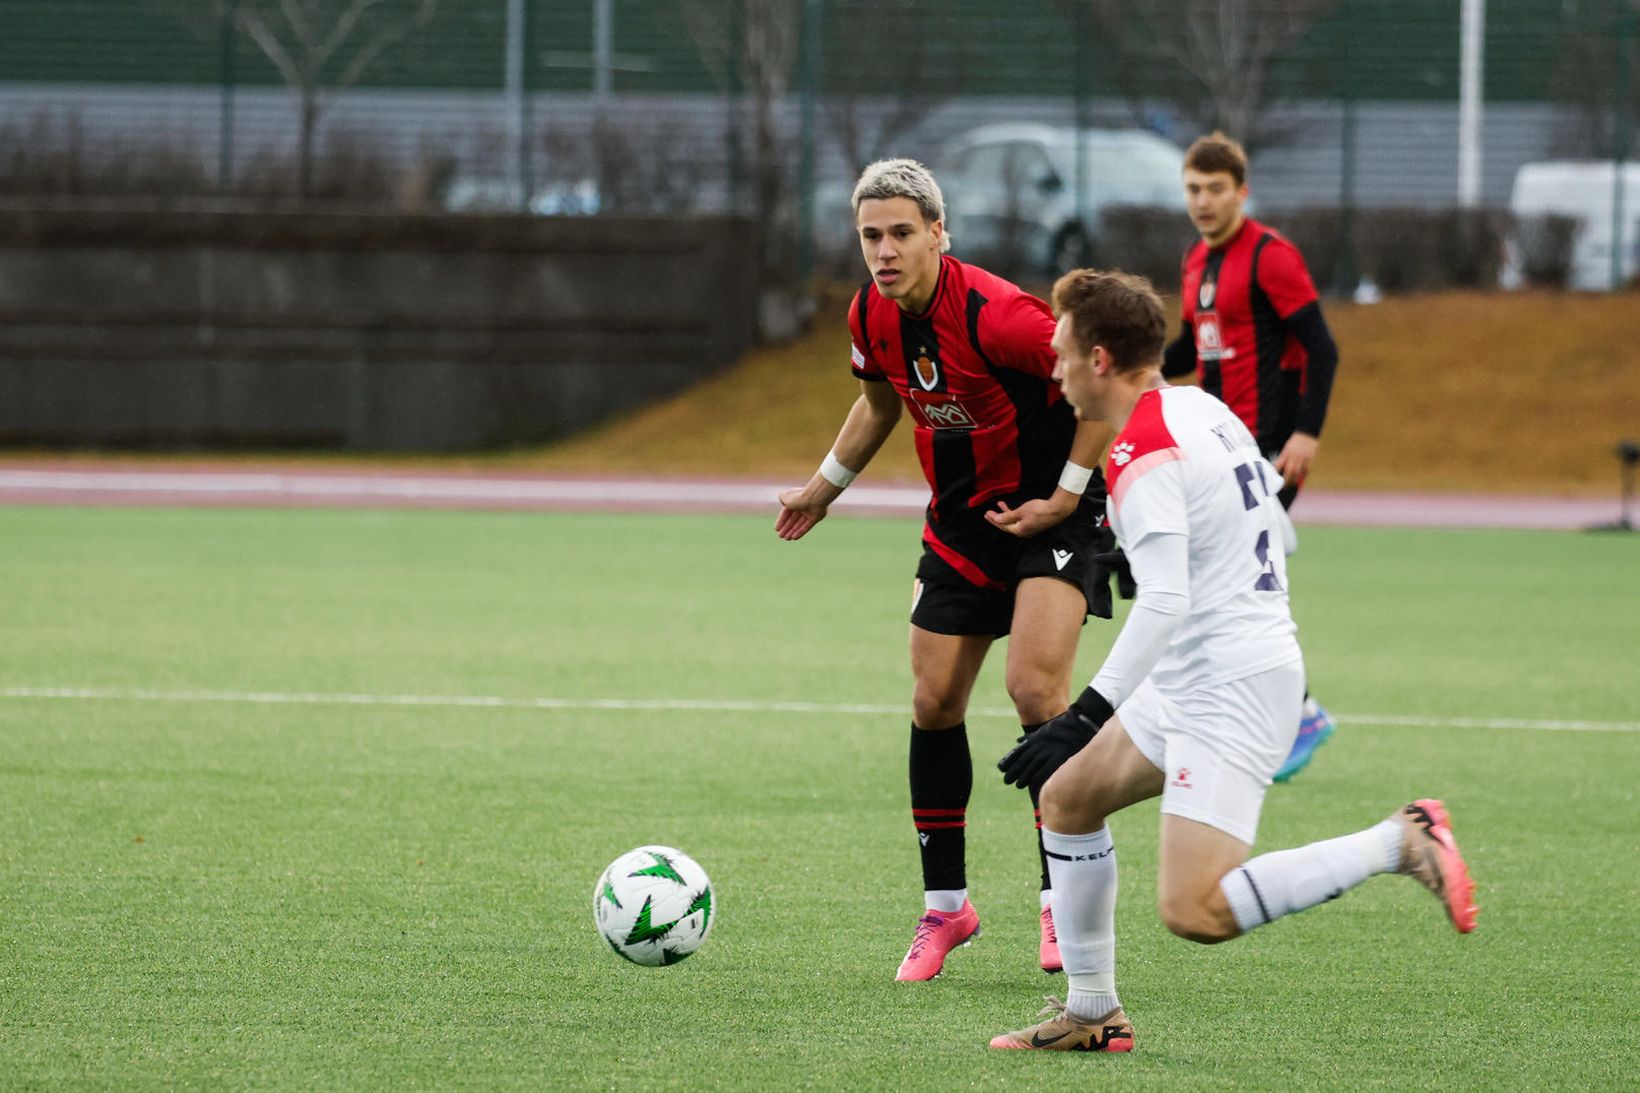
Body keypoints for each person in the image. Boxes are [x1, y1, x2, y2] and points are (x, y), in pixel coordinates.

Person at [987, 269, 1477, 1053]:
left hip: (1230, 686)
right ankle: (1091, 1012)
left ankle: (1401, 839)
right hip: (1204, 670)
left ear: (1102, 358)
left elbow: (1168, 601)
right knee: (1068, 798)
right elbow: (1274, 535)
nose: (1054, 367)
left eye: (1063, 352)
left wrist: (1084, 712)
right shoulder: (1199, 406)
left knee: (1195, 911)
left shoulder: (1142, 449)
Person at [776, 159, 1117, 982]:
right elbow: (881, 402)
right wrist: (825, 490)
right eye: (870, 236)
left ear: (938, 231)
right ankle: (946, 908)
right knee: (933, 701)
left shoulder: (1001, 316)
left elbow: (1104, 390)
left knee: (1036, 691)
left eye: (900, 233)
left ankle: (1058, 907)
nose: (884, 251)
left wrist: (1067, 497)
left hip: (1052, 515)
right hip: (964, 525)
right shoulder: (872, 312)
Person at [1161, 132, 1341, 783]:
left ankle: (1299, 709)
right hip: (1221, 446)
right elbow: (1194, 350)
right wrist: (1137, 368)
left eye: (1215, 189)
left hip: (1268, 447)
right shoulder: (1194, 262)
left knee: (1221, 570)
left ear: (1242, 191)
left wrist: (1306, 433)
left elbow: (1322, 349)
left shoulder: (1271, 256)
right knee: (1212, 571)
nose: (1203, 201)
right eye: (1193, 189)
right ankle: (1268, 707)